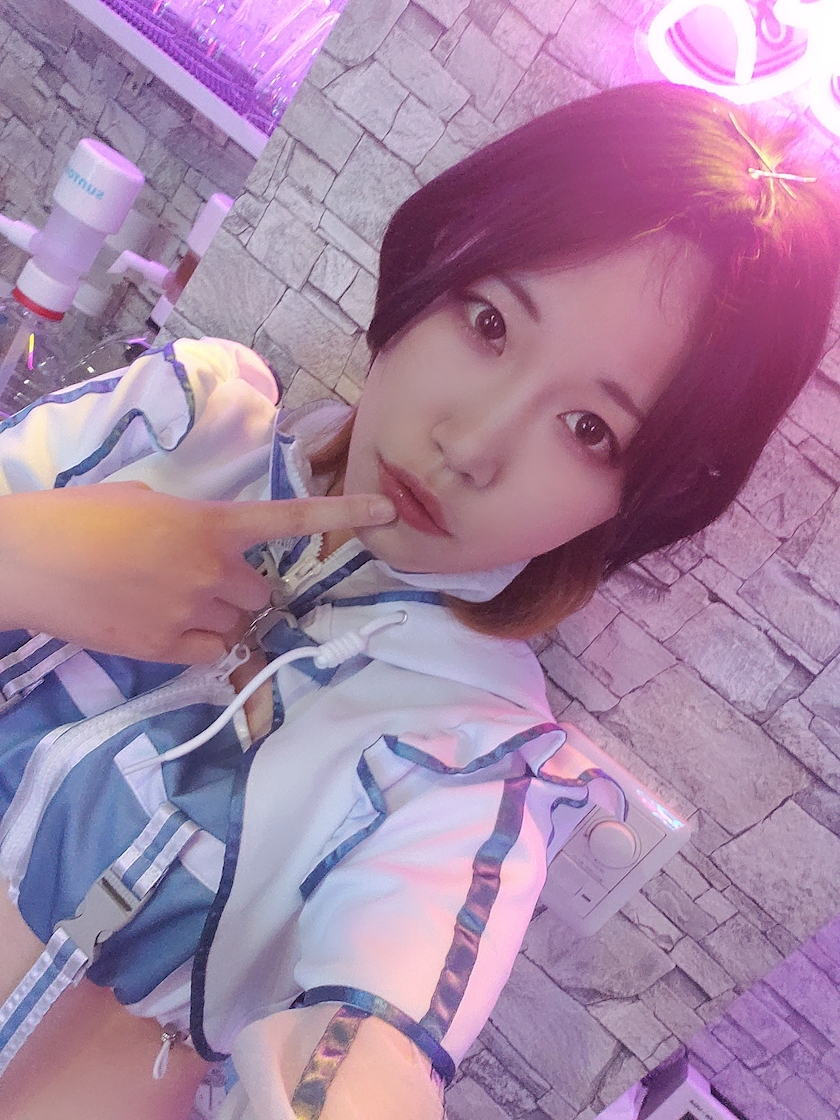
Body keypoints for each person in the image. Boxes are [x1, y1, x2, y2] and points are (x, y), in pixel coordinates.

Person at [0, 81, 838, 1119]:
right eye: (489, 321)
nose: (471, 443)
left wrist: (351, 1079)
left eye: (590, 430)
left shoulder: (472, 765)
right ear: (438, 252)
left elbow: (373, 1052)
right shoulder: (177, 424)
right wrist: (21, 553)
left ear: (647, 495)